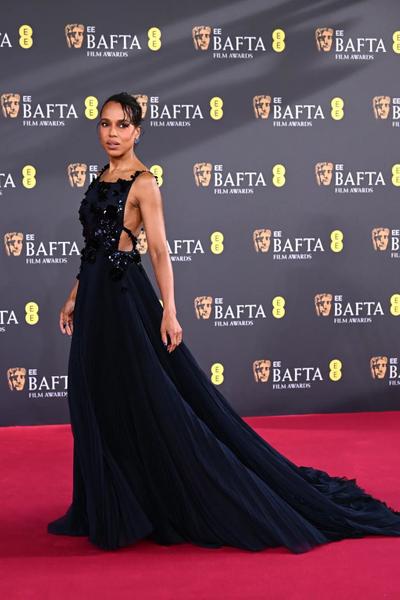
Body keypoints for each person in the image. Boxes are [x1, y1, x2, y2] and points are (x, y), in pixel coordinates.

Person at [47, 92, 400, 554]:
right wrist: (74, 295)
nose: (112, 133)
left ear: (137, 132)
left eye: (122, 125)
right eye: (105, 123)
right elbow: (93, 246)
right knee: (94, 398)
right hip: (94, 299)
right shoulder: (101, 176)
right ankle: (110, 503)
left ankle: (145, 504)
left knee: (141, 398)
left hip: (122, 299)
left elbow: (159, 251)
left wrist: (170, 310)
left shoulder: (143, 183)